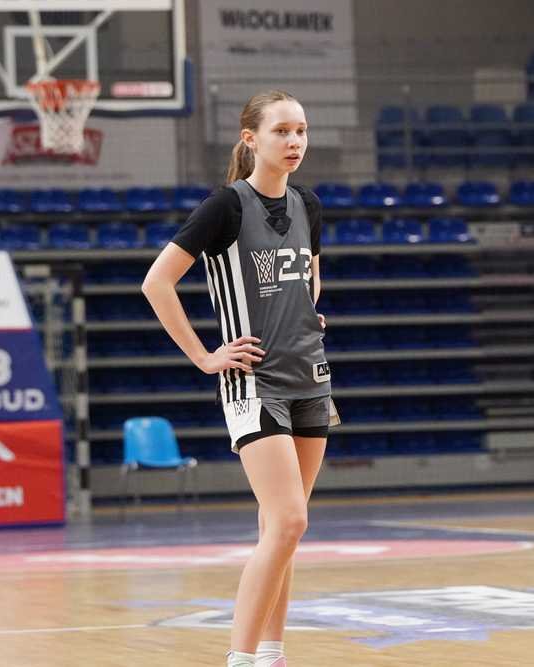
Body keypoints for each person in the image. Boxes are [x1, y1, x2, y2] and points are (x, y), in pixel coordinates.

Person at [143, 89, 335, 667]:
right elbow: (156, 283)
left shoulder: (308, 204)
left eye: (301, 130)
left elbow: (310, 277)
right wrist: (205, 357)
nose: (295, 141)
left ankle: (271, 654)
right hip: (255, 383)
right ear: (251, 139)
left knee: (282, 530)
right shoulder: (225, 206)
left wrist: (306, 310)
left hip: (311, 376)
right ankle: (240, 658)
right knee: (289, 521)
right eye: (282, 131)